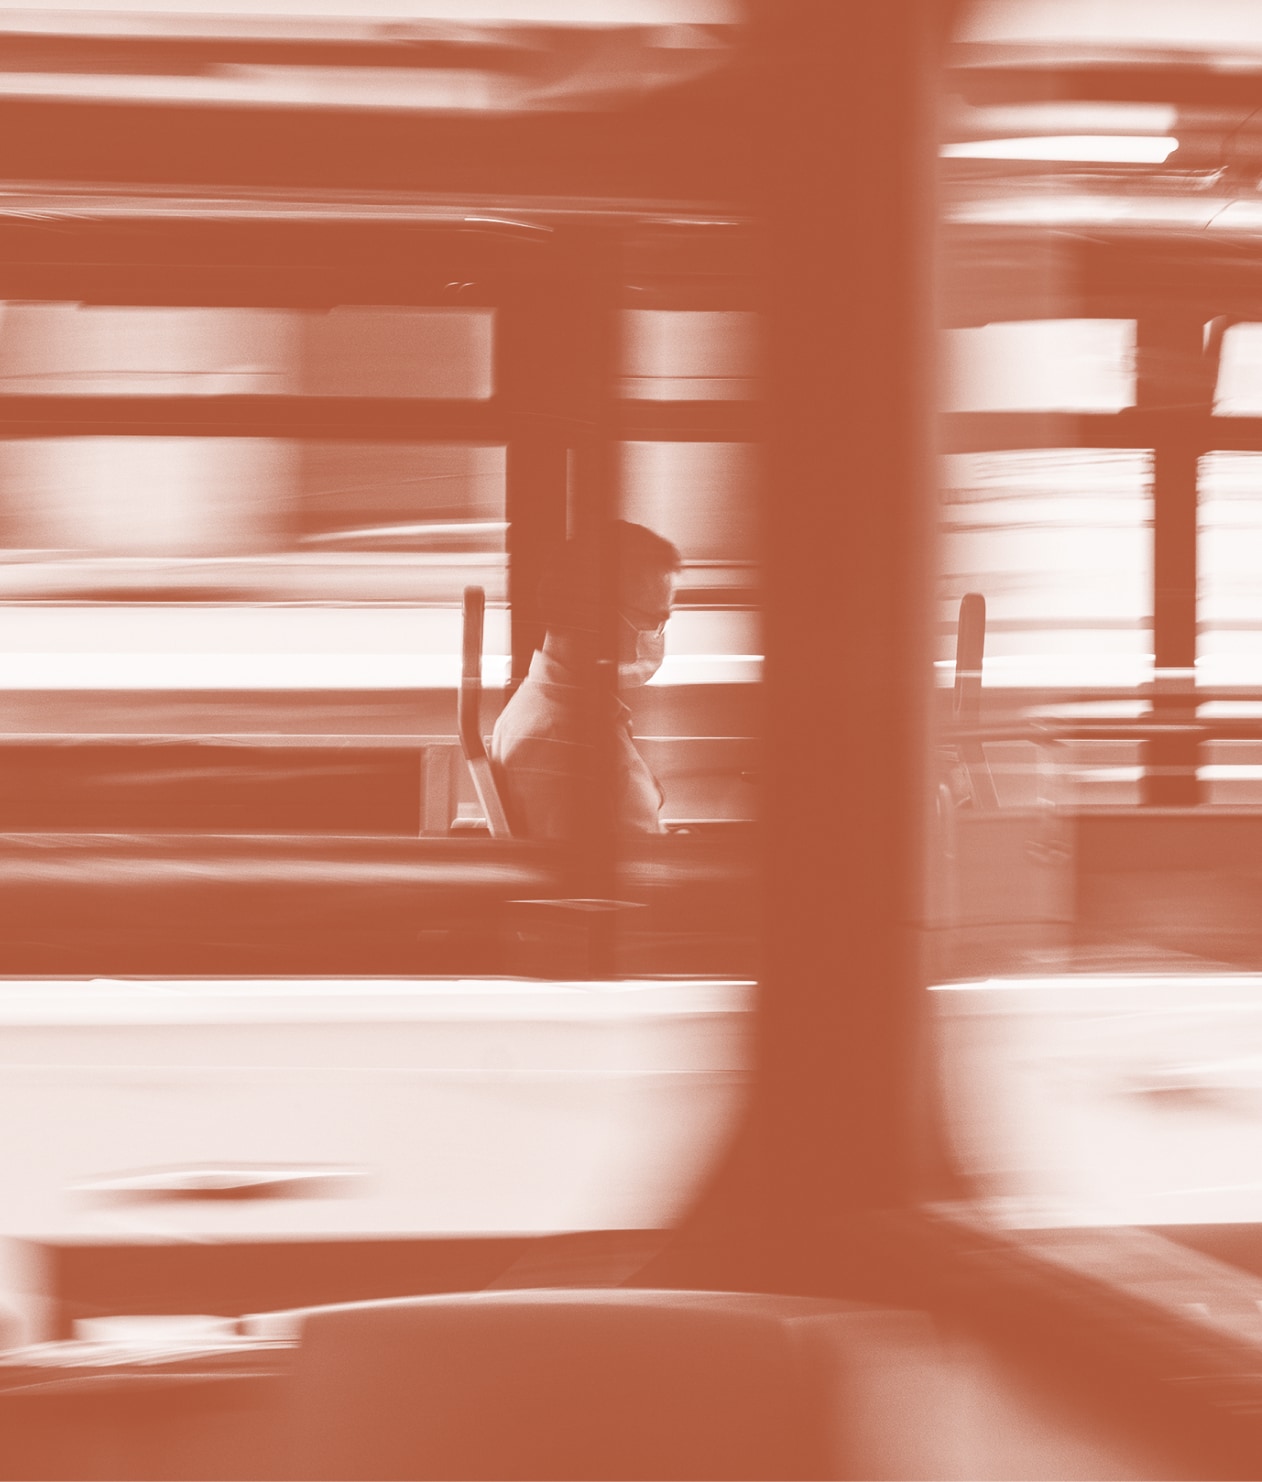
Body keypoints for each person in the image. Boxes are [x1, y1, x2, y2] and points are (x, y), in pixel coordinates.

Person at [491, 520, 681, 841]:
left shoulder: (567, 711)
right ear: (599, 617)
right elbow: (583, 878)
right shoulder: (558, 738)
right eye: (654, 621)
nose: (657, 636)